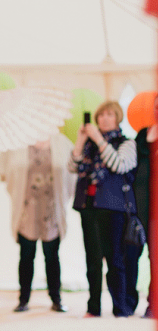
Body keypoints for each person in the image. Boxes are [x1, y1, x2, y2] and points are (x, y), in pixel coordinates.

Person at [69, 100, 138, 318]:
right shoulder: (88, 144)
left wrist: (98, 139)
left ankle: (120, 307)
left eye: (109, 114)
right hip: (88, 207)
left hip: (113, 208)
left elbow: (119, 164)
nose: (104, 119)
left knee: (115, 259)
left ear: (117, 118)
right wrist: (81, 140)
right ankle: (93, 307)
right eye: (101, 115)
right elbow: (73, 166)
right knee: (92, 260)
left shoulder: (126, 143)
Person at [0, 133, 75, 313]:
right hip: (27, 210)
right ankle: (23, 299)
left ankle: (56, 298)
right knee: (26, 256)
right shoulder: (16, 142)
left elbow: (71, 173)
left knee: (52, 255)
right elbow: (2, 170)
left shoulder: (62, 143)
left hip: (52, 209)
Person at [126, 93, 158, 318]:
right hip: (138, 206)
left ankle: (153, 305)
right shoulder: (142, 135)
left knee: (155, 259)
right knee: (131, 256)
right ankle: (127, 303)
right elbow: (131, 166)